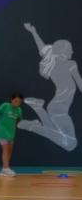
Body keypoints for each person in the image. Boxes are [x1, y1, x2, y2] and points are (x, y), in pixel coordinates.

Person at [20, 22, 80, 151]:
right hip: (60, 109)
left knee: (62, 138)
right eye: (70, 49)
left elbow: (42, 48)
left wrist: (34, 32)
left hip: (55, 107)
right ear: (63, 52)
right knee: (71, 144)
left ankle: (37, 109)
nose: (72, 51)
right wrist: (33, 32)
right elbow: (80, 83)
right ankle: (33, 124)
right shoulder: (70, 64)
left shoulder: (51, 63)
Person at [0, 92, 23, 176]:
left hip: (11, 133)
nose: (17, 103)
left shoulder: (19, 110)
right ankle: (6, 168)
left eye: (19, 102)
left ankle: (4, 169)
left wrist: (16, 125)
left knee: (9, 150)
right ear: (11, 100)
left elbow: (20, 119)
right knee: (5, 149)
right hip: (1, 131)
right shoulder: (5, 105)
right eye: (15, 101)